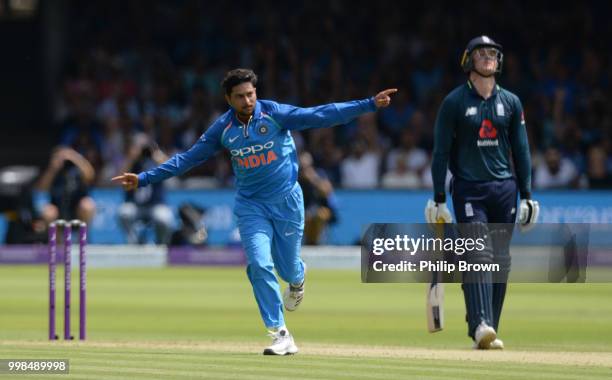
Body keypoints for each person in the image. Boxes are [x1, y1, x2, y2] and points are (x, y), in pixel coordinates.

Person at [113, 68, 396, 355]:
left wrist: (369, 104)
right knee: (260, 265)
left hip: (287, 201)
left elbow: (321, 114)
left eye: (251, 94)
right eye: (240, 96)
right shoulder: (222, 129)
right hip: (250, 206)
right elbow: (187, 160)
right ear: (228, 99)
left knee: (288, 268)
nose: (247, 101)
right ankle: (280, 333)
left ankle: (298, 278)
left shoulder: (274, 113)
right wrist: (144, 178)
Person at [426, 36, 539, 349]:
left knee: (500, 261)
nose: (489, 57)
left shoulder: (512, 103)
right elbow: (440, 152)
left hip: (505, 190)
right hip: (468, 190)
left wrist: (528, 195)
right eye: (482, 53)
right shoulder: (454, 103)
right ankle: (480, 324)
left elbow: (522, 148)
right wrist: (438, 197)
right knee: (478, 255)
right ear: (468, 61)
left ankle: (488, 329)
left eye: (493, 53)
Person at [117, 133, 175, 244]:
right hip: (135, 205)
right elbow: (120, 179)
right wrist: (131, 158)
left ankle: (161, 246)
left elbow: (172, 172)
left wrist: (157, 155)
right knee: (124, 212)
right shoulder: (133, 163)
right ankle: (133, 244)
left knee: (164, 218)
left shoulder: (157, 162)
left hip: (156, 205)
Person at [37, 146, 97, 225]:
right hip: (59, 209)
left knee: (87, 205)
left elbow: (90, 176)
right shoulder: (52, 172)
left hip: (77, 210)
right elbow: (42, 188)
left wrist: (75, 157)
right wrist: (53, 168)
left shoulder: (77, 169)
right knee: (49, 211)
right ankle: (56, 237)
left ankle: (83, 236)